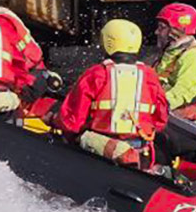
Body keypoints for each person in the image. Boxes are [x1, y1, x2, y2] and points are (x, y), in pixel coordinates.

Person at [56, 19, 169, 169]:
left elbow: (72, 121)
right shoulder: (150, 76)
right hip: (140, 151)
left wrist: (55, 122)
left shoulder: (96, 74)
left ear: (108, 42)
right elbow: (161, 118)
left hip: (101, 150)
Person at [153, 3, 196, 125]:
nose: (156, 32)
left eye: (162, 27)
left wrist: (146, 108)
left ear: (175, 30)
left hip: (192, 128)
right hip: (174, 118)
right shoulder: (171, 53)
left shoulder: (195, 57)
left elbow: (180, 95)